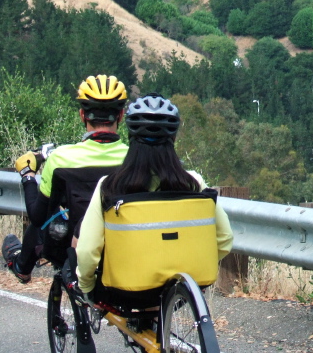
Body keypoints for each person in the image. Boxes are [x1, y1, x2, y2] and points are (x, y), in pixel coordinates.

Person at [75, 93, 233, 304]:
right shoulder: (193, 183)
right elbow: (224, 239)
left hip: (125, 292)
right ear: (173, 138)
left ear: (130, 136)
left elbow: (87, 249)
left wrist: (86, 286)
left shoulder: (110, 186)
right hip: (183, 287)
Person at [2, 75, 129, 283]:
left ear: (82, 115)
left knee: (47, 216)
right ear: (121, 115)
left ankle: (21, 267)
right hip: (125, 245)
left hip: (78, 248)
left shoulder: (61, 158)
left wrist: (27, 175)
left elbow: (37, 216)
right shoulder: (135, 158)